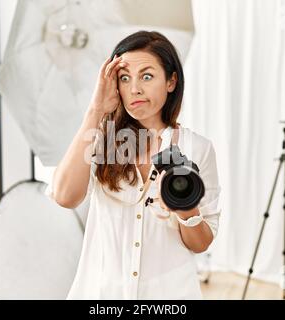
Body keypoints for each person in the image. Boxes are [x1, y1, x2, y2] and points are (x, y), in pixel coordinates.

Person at [49, 31, 221, 299]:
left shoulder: (197, 148)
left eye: (147, 76)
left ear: (171, 81)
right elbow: (64, 197)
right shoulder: (100, 140)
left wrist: (185, 211)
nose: (134, 89)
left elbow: (201, 243)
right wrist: (96, 110)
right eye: (124, 78)